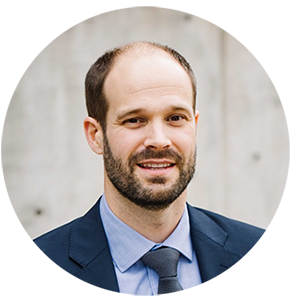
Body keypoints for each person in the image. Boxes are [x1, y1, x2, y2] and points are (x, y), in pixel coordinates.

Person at [33, 41, 280, 296]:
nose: (159, 139)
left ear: (194, 126)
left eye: (175, 118)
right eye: (134, 120)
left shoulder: (266, 261)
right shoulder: (32, 274)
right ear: (96, 135)